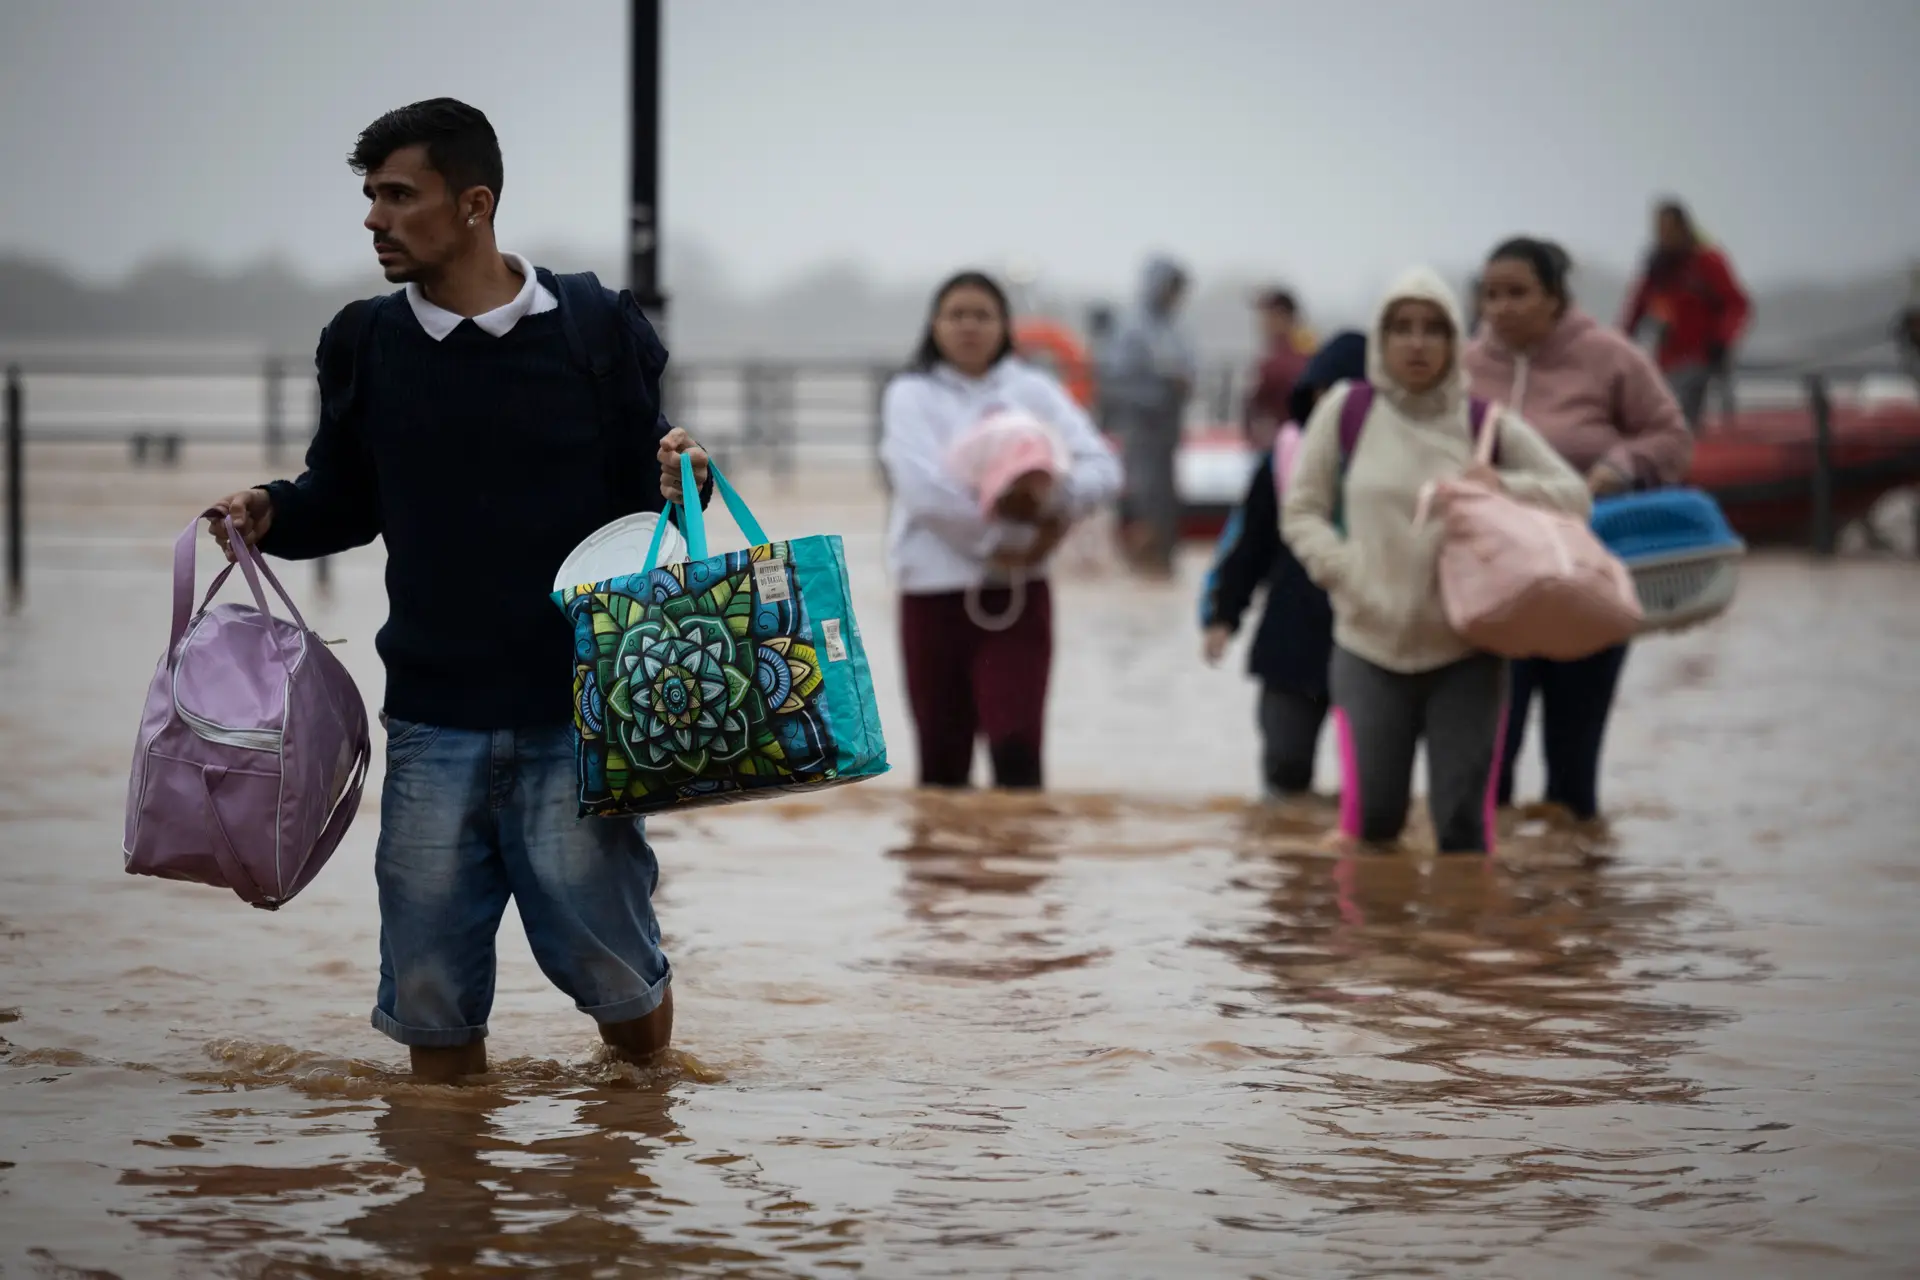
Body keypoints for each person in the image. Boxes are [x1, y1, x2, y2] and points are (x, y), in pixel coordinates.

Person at [204, 99, 709, 1082]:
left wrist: (673, 474)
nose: (374, 219)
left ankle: (639, 1147)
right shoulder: (362, 342)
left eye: (399, 195)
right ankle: (447, 1212)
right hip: (431, 718)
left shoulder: (595, 327)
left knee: (615, 969)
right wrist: (273, 509)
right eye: (369, 196)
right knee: (430, 996)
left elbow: (635, 505)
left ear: (473, 203)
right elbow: (345, 499)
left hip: (580, 710)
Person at [1280, 268, 1590, 854]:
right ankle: (1378, 944)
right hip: (1366, 645)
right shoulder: (1347, 411)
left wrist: (1499, 482)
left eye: (1433, 329)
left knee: (1462, 830)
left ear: (1455, 341)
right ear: (1381, 339)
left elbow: (1574, 496)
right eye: (1401, 329)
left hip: (1468, 650)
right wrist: (1343, 570)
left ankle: (1458, 941)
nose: (1417, 343)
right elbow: (1301, 510)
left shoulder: (1484, 422)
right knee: (1372, 826)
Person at [1465, 237, 1692, 823]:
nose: (1502, 308)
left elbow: (1670, 435)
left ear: (1556, 296)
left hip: (1589, 584)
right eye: (1491, 295)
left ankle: (1577, 902)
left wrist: (1621, 466)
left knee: (1572, 770)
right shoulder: (1464, 367)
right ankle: (1483, 906)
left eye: (1518, 293)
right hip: (1494, 589)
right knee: (1486, 769)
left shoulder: (1610, 356)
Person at [879, 271, 1123, 790]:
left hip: (1018, 598)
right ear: (935, 325)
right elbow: (923, 493)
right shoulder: (909, 394)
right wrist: (1003, 541)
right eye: (957, 314)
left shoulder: (1034, 390)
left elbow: (1102, 468)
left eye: (983, 314)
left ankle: (1019, 868)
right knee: (942, 763)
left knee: (1019, 752)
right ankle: (944, 871)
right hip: (932, 595)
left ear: (1005, 325)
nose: (970, 326)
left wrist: (1043, 506)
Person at [1198, 330, 1365, 799]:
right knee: (1285, 769)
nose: (1332, 406)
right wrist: (1222, 618)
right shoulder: (1282, 461)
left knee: (1372, 784)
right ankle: (1287, 865)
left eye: (1347, 395)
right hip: (1290, 639)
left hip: (1373, 638)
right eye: (1323, 392)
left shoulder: (1394, 465)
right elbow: (1249, 546)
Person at [1620, 198, 1751, 431]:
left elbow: (1736, 304)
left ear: (1682, 227)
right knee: (1658, 405)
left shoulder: (1707, 261)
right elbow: (1637, 306)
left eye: (1668, 228)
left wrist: (1723, 340)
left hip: (1701, 354)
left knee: (1681, 409)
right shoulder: (1658, 266)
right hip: (1667, 355)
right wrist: (1621, 339)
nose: (1663, 235)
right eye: (1659, 229)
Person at [1102, 256, 1197, 577]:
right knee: (1141, 487)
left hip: (1169, 426)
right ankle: (1141, 555)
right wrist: (1159, 385)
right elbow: (1116, 376)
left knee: (1166, 491)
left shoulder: (1175, 328)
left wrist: (1182, 383)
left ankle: (1164, 555)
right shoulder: (1132, 327)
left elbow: (1188, 367)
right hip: (1141, 424)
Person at [1241, 288, 1310, 451]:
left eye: (1267, 315)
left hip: (1285, 447)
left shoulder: (1292, 358)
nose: (1262, 322)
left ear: (1282, 317)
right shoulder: (1274, 355)